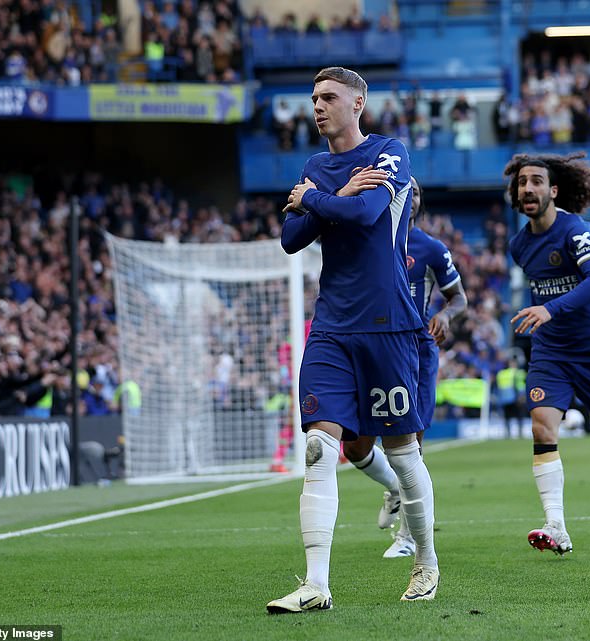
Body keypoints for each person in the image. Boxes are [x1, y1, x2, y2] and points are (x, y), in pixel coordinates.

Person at [267, 67, 439, 613]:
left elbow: (366, 215)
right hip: (334, 325)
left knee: (401, 450)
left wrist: (316, 199)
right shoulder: (318, 165)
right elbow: (291, 239)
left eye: (329, 98)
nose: (317, 107)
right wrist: (330, 194)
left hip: (388, 324)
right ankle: (316, 583)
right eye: (314, 99)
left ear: (358, 102)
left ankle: (426, 563)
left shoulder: (389, 152)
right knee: (320, 446)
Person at [506, 152, 590, 556]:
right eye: (522, 182)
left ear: (553, 190)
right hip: (550, 352)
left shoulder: (575, 230)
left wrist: (550, 308)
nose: (528, 188)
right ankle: (556, 525)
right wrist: (544, 314)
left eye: (536, 181)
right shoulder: (519, 245)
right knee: (542, 428)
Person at [342, 176, 467, 559]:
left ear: (420, 202)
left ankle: (408, 537)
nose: (408, 197)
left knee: (411, 444)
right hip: (372, 346)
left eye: (414, 192)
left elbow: (458, 298)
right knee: (356, 446)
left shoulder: (430, 248)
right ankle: (395, 487)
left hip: (415, 351)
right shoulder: (366, 239)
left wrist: (446, 316)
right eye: (402, 190)